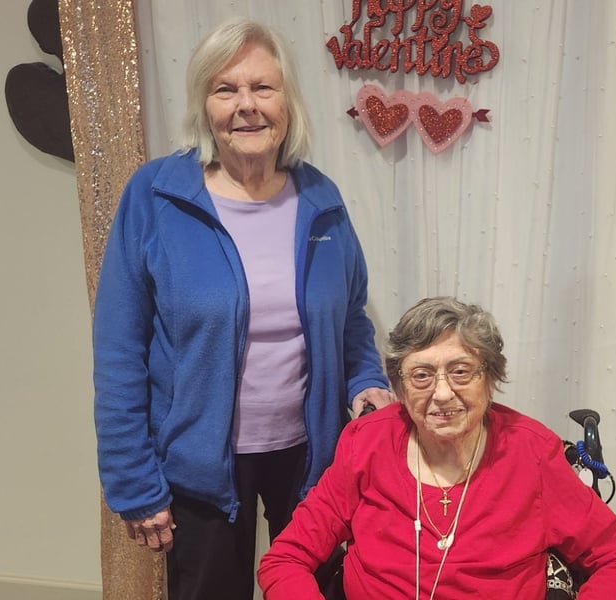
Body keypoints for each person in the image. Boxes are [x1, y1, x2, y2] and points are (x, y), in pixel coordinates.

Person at [92, 17, 394, 600]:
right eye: (225, 89)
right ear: (204, 105)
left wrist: (366, 381)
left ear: (288, 103)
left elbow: (351, 318)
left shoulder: (320, 199)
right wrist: (133, 480)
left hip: (313, 462)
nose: (246, 106)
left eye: (263, 87)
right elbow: (118, 349)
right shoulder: (157, 197)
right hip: (198, 466)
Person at [258, 297, 616, 599]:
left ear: (491, 378)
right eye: (422, 375)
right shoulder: (367, 444)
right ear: (398, 386)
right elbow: (284, 560)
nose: (442, 393)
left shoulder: (531, 452)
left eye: (461, 371)